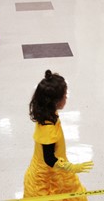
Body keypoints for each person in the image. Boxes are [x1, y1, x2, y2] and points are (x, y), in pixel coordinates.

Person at [24, 70, 93, 199]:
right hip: (49, 179)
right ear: (55, 101)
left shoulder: (46, 113)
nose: (66, 98)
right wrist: (72, 167)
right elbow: (49, 159)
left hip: (52, 171)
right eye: (64, 95)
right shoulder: (48, 129)